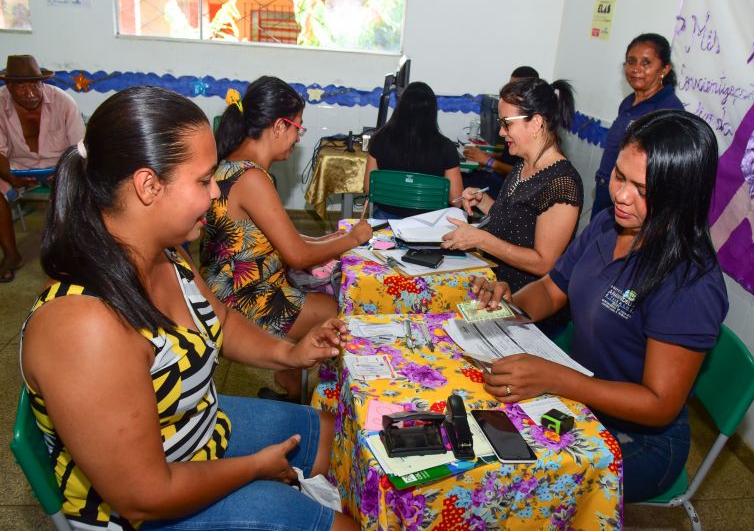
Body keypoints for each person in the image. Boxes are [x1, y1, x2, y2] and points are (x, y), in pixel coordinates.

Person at [20, 85, 357, 530]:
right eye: (203, 181)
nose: (216, 191)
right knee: (331, 523)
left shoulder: (166, 254)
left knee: (340, 437)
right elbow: (145, 496)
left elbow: (224, 321)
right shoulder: (83, 325)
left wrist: (289, 354)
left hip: (196, 433)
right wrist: (255, 468)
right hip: (142, 512)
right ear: (147, 186)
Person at [471, 110, 728, 502]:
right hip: (580, 396)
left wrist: (554, 378)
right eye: (620, 177)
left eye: (643, 189)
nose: (622, 196)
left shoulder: (688, 281)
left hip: (642, 439)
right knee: (474, 434)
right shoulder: (609, 224)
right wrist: (507, 303)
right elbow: (554, 289)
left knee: (513, 489)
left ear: (680, 194)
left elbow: (659, 405)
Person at [200, 76, 371, 400]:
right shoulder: (251, 177)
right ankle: (314, 397)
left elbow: (284, 238)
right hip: (243, 298)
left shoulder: (236, 166)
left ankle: (292, 382)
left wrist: (334, 237)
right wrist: (353, 239)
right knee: (340, 311)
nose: (296, 138)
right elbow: (297, 255)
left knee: (325, 297)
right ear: (279, 125)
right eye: (298, 128)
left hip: (242, 287)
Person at [442, 76, 582, 334]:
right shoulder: (522, 167)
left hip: (529, 310)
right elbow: (516, 221)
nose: (501, 132)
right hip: (498, 293)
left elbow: (544, 262)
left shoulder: (562, 183)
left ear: (536, 123)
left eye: (507, 124)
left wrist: (481, 239)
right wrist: (483, 201)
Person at [0, 54, 84, 282]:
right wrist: (10, 176)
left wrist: (63, 173)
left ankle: (68, 256)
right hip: (15, 169)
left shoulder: (64, 102)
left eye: (35, 84)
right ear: (8, 86)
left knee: (79, 186)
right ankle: (11, 255)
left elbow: (79, 149)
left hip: (59, 166)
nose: (30, 93)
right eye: (21, 87)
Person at [590, 33, 684, 218]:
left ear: (664, 69)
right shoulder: (628, 102)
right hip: (607, 191)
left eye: (646, 63)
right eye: (631, 61)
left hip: (631, 201)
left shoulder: (668, 110)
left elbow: (662, 168)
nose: (636, 69)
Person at [363, 81, 463, 218]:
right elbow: (457, 201)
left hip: (385, 220)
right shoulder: (447, 148)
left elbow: (369, 188)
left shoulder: (378, 140)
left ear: (400, 107)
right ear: (432, 111)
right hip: (429, 223)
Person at [461, 65, 539, 199]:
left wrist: (488, 161)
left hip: (508, 187)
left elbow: (524, 173)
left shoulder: (531, 129)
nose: (502, 133)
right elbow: (512, 161)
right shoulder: (520, 126)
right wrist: (486, 155)